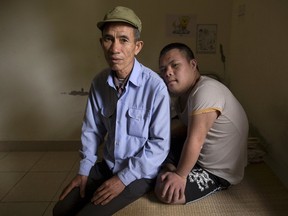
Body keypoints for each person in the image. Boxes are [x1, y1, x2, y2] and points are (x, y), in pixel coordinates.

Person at [53, 6, 170, 216]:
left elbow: (159, 145)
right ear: (101, 43)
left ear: (137, 46)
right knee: (60, 210)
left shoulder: (155, 87)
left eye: (124, 40)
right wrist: (84, 170)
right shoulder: (99, 82)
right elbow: (92, 131)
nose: (115, 48)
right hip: (107, 166)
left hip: (139, 173)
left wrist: (122, 179)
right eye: (108, 39)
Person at [155, 42, 248, 204]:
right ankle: (169, 166)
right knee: (154, 147)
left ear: (193, 65)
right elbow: (182, 127)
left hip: (217, 170)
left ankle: (172, 168)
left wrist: (180, 175)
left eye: (174, 65)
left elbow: (196, 139)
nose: (168, 73)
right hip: (199, 156)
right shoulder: (181, 97)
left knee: (166, 192)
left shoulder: (206, 90)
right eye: (163, 69)